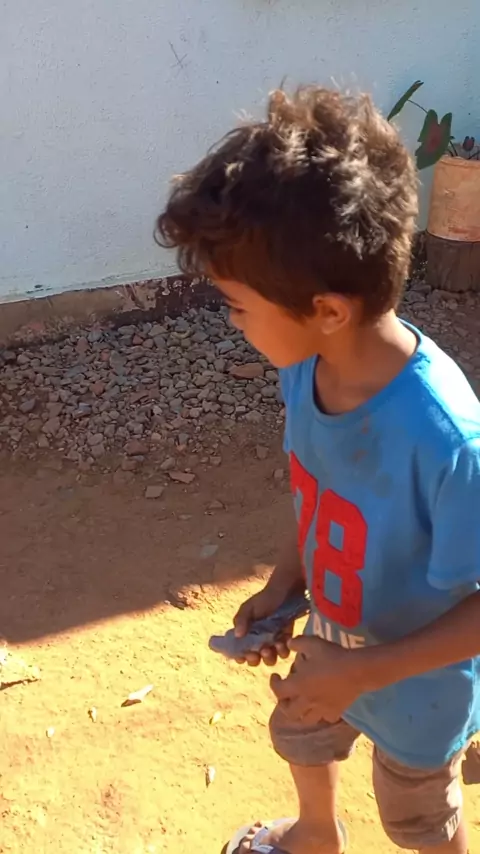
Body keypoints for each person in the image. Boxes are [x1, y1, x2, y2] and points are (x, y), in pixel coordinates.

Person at [156, 86, 480, 854]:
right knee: (300, 733)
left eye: (238, 306)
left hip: (418, 691)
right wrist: (286, 582)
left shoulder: (448, 441)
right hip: (331, 641)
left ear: (328, 310)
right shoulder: (307, 369)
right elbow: (323, 491)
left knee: (417, 819)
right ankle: (315, 835)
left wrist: (362, 674)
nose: (232, 323)